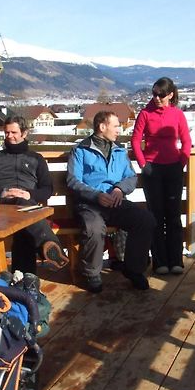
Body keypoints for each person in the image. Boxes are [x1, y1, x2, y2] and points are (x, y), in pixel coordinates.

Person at [67, 110, 155, 293]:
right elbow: (73, 181)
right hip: (89, 204)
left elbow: (131, 177)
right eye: (116, 126)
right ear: (102, 127)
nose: (119, 130)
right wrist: (96, 195)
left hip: (115, 202)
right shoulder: (81, 150)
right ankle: (92, 274)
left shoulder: (119, 151)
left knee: (145, 220)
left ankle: (134, 269)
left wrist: (119, 189)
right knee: (94, 228)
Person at [0, 115, 68, 274]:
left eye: (14, 132)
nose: (9, 136)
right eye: (7, 133)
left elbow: (47, 189)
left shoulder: (36, 159)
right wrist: (3, 192)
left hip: (29, 207)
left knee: (23, 223)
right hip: (3, 209)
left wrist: (29, 194)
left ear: (24, 133)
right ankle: (48, 245)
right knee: (24, 215)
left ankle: (21, 280)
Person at [131, 77, 191, 275]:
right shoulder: (145, 114)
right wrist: (143, 164)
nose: (156, 98)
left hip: (173, 168)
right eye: (154, 94)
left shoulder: (178, 114)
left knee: (173, 215)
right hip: (152, 170)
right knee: (155, 215)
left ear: (170, 95)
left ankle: (176, 261)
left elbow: (186, 140)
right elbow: (136, 140)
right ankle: (159, 261)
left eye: (161, 94)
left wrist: (181, 162)